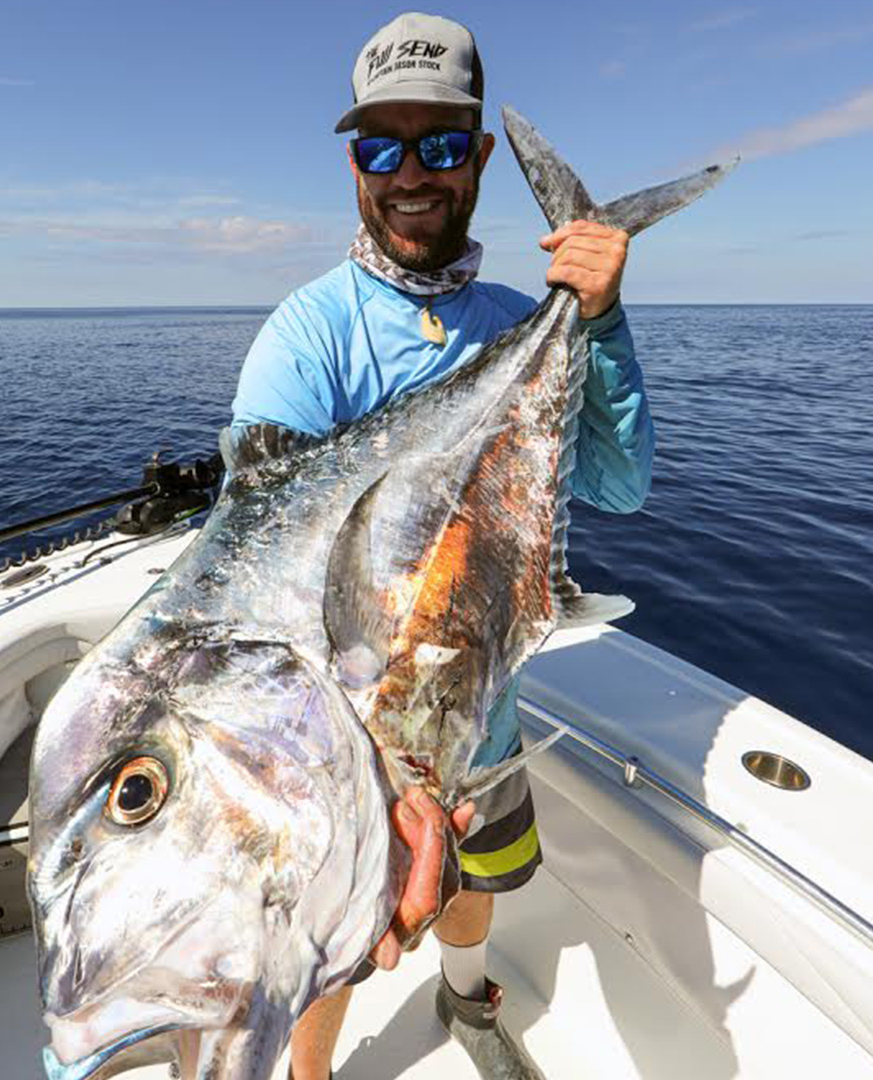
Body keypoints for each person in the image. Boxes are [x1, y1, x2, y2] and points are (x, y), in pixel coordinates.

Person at [227, 12, 654, 1080]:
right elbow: (253, 555)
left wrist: (598, 321)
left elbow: (620, 485)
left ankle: (466, 1004)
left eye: (439, 143)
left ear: (480, 157)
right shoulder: (309, 332)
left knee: (474, 889)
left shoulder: (530, 316)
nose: (409, 171)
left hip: (490, 722)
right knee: (337, 939)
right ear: (353, 160)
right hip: (353, 741)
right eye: (382, 144)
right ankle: (310, 1072)